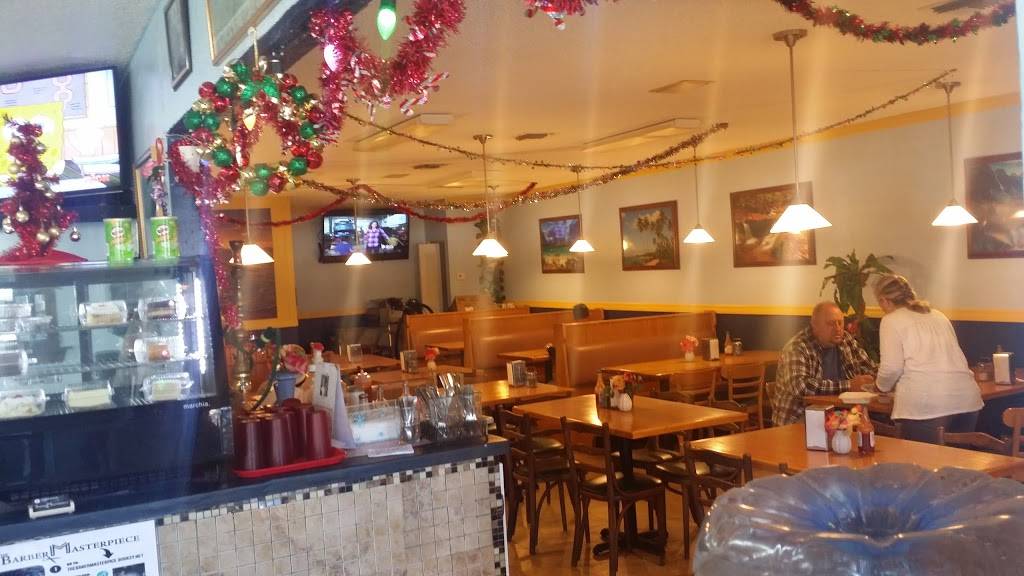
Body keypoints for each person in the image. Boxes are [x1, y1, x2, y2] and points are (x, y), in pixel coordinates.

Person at [873, 274, 983, 443]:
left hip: (925, 405)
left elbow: (892, 368)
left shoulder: (891, 320)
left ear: (884, 300)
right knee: (957, 460)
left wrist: (879, 387)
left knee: (920, 459)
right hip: (966, 399)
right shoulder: (938, 315)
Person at [772, 302, 878, 426]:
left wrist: (883, 377)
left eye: (840, 322)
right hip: (799, 420)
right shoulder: (797, 347)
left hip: (840, 416)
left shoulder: (846, 340)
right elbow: (801, 387)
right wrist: (849, 385)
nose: (837, 328)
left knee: (871, 426)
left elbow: (869, 367)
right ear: (815, 325)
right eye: (831, 324)